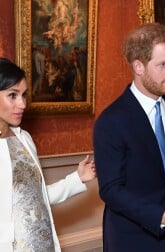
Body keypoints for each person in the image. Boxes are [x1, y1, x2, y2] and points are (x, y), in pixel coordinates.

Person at [93, 23, 165, 252]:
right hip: (131, 238)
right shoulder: (111, 121)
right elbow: (111, 190)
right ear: (138, 66)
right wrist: (163, 215)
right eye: (162, 64)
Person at [0, 58, 96, 251]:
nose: (22, 104)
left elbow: (37, 197)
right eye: (12, 95)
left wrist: (77, 179)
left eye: (24, 95)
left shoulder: (24, 138)